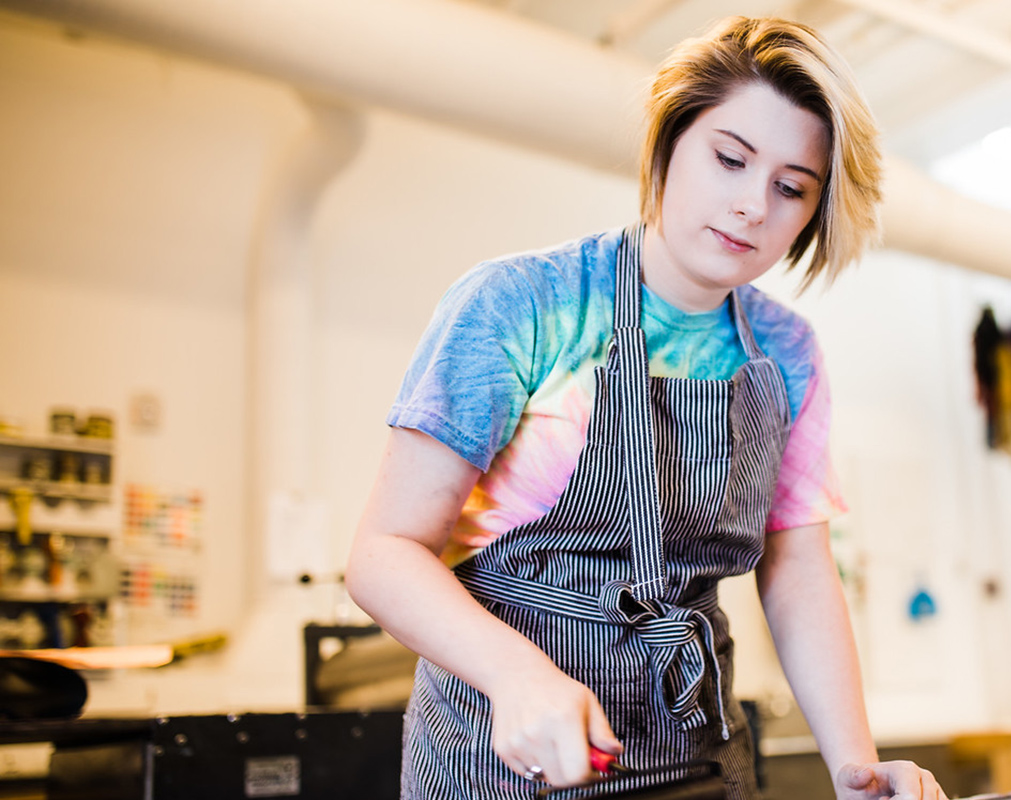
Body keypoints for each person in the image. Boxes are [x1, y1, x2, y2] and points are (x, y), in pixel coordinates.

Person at [346, 15, 947, 800]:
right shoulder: (524, 305)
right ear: (668, 144)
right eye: (730, 159)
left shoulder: (785, 352)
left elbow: (797, 571)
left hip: (695, 758)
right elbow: (384, 552)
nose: (752, 207)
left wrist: (856, 768)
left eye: (790, 188)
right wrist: (516, 674)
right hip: (501, 754)